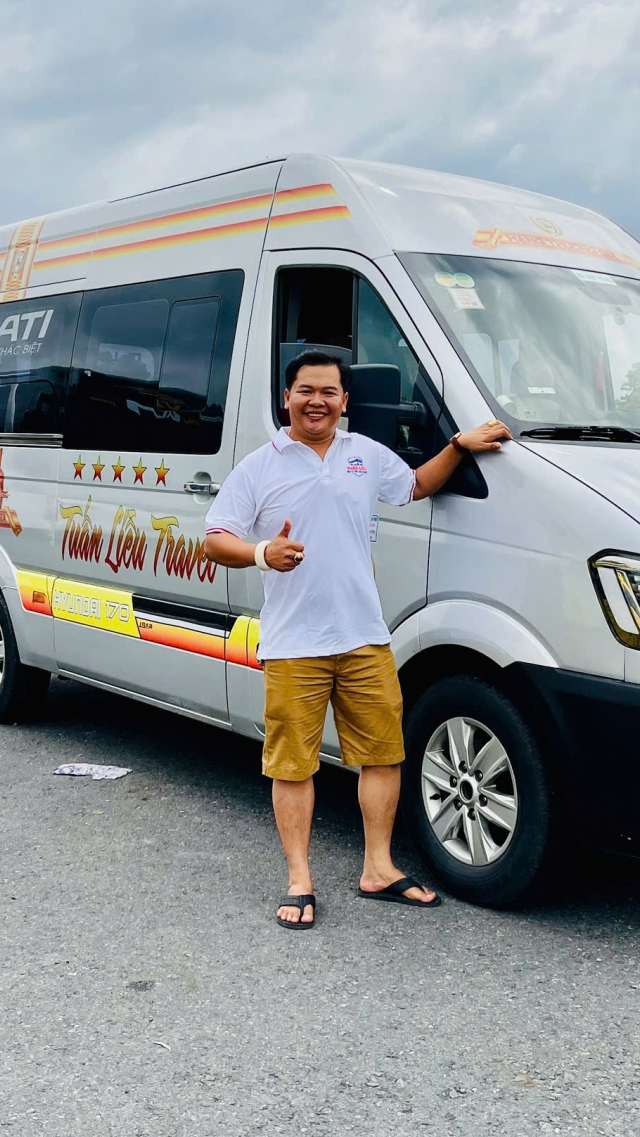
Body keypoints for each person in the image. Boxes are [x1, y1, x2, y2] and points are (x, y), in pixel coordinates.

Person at [204, 349, 511, 928]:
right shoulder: (259, 467)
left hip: (365, 636)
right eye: (305, 390)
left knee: (383, 754)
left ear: (345, 401)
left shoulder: (365, 455)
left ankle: (379, 868)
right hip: (294, 642)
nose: (316, 401)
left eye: (328, 392)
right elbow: (216, 539)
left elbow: (415, 485)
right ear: (286, 399)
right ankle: (299, 880)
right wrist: (262, 552)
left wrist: (458, 446)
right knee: (292, 764)